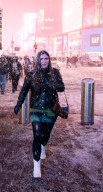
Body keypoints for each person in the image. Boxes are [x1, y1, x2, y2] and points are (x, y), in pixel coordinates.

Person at [14, 50, 65, 178]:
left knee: (45, 135)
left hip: (51, 110)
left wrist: (51, 84)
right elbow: (24, 91)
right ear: (38, 60)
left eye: (46, 59)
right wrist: (18, 104)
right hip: (36, 109)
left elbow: (62, 87)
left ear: (49, 60)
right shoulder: (31, 75)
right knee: (37, 135)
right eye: (41, 59)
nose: (44, 61)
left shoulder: (55, 73)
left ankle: (43, 146)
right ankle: (36, 166)